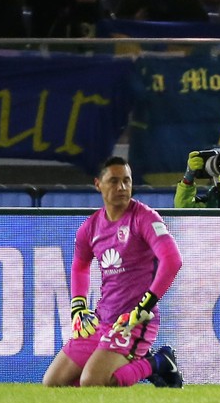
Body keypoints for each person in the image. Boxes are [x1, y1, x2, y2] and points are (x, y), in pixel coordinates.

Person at [42, 157, 183, 388]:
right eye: (114, 181)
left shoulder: (145, 218)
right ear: (98, 184)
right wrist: (78, 306)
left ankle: (159, 362)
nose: (122, 187)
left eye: (127, 181)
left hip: (134, 321)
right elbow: (80, 266)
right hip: (101, 319)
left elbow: (172, 260)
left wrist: (144, 306)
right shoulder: (90, 227)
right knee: (53, 382)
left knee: (93, 382)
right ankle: (133, 363)